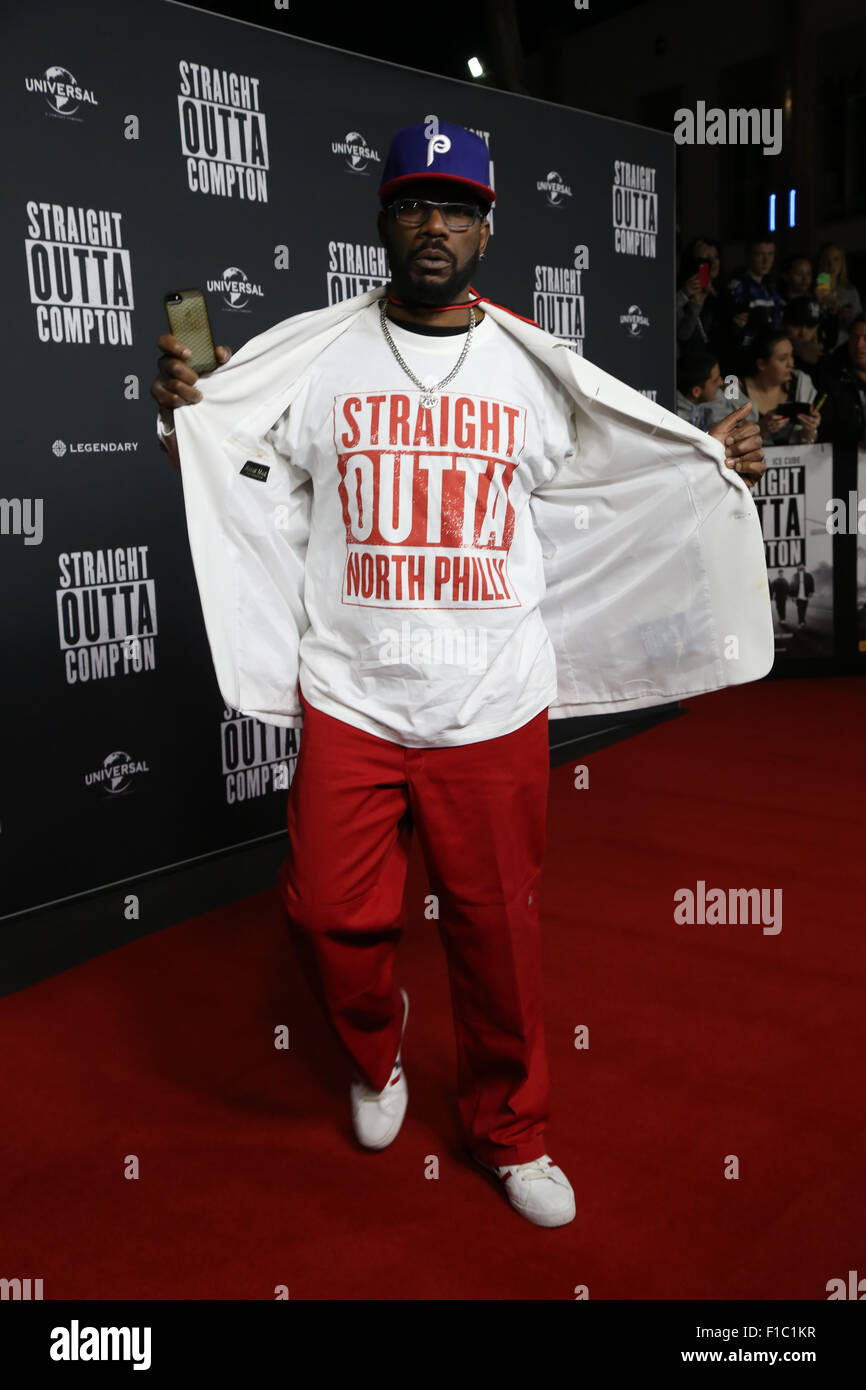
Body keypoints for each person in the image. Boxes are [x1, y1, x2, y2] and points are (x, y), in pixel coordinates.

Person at [150, 120, 768, 1232]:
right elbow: (244, 469)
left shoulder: (532, 365)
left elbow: (632, 457)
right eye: (409, 205)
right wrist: (192, 423)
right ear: (382, 221)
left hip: (487, 696)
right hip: (351, 690)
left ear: (488, 225)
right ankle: (375, 1051)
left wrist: (708, 454)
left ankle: (508, 1130)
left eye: (452, 207)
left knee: (495, 934)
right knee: (324, 909)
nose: (430, 225)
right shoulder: (316, 353)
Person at [740, 332, 821, 445]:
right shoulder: (736, 393)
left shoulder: (800, 384)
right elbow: (725, 441)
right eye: (783, 359)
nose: (791, 364)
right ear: (761, 364)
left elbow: (809, 441)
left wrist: (810, 429)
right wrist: (760, 428)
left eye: (792, 355)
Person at [723, 236, 784, 367]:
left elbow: (776, 325)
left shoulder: (771, 287)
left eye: (770, 254)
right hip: (741, 359)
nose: (766, 260)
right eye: (759, 254)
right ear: (749, 256)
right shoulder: (737, 285)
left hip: (767, 358)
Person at [818, 313, 866, 445]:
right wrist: (859, 436)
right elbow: (823, 427)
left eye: (865, 338)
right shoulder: (831, 375)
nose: (859, 345)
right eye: (855, 337)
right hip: (843, 459)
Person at [676, 235, 722, 357]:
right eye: (705, 259)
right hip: (693, 364)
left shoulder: (725, 292)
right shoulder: (684, 292)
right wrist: (694, 303)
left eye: (716, 257)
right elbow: (683, 335)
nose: (713, 263)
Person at [816, 243, 864, 348]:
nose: (831, 264)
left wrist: (848, 317)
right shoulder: (816, 288)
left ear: (842, 262)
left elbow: (858, 321)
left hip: (844, 344)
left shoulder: (850, 290)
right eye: (826, 260)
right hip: (820, 344)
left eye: (836, 259)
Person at [675, 350, 735, 429]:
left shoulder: (717, 395)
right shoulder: (675, 419)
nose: (721, 383)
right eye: (715, 381)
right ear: (696, 392)